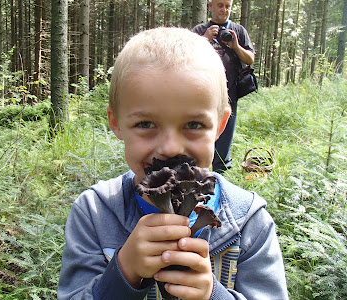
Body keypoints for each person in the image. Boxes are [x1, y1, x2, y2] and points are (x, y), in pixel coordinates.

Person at [58, 27, 288, 300]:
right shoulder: (95, 213)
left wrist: (213, 295)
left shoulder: (248, 222)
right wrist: (124, 270)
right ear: (116, 123)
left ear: (221, 126)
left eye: (194, 124)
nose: (170, 148)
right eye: (146, 124)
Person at [192, 0, 255, 173]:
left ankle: (219, 180)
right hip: (201, 95)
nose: (224, 9)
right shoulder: (199, 31)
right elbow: (185, 57)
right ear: (210, 6)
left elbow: (250, 59)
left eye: (228, 6)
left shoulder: (238, 31)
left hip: (229, 95)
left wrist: (235, 46)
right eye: (220, 5)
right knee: (199, 137)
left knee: (224, 144)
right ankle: (196, 178)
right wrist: (204, 39)